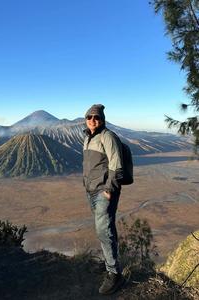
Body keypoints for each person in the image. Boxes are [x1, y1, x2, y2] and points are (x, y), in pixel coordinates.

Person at [83, 104, 125, 295]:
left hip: (104, 192)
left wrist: (109, 189)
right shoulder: (88, 138)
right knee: (105, 229)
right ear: (86, 119)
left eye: (97, 117)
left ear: (102, 119)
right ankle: (109, 262)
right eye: (90, 117)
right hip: (91, 191)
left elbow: (117, 165)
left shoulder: (108, 137)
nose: (93, 120)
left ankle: (115, 275)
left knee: (103, 229)